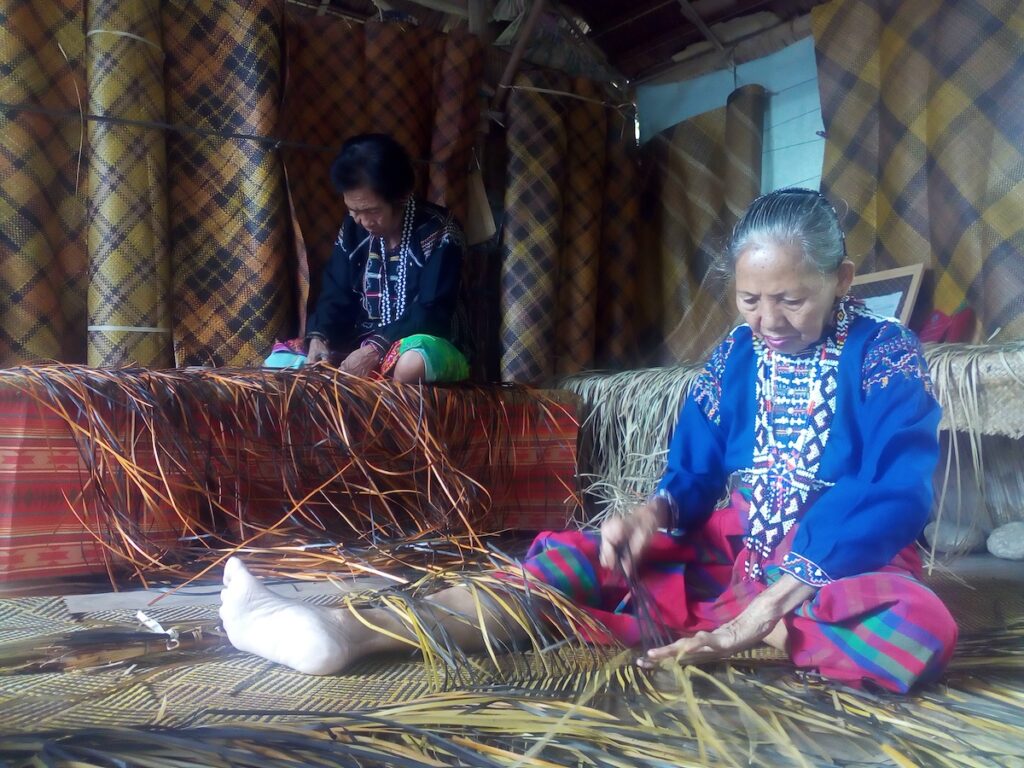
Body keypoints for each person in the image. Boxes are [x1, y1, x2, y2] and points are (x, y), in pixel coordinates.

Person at [223, 188, 956, 692]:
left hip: (844, 552)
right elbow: (694, 475)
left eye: (791, 299)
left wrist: (774, 605)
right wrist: (653, 513)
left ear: (843, 281)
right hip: (736, 546)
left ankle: (753, 635)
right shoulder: (737, 354)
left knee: (918, 624)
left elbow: (896, 486)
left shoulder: (884, 351)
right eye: (750, 299)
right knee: (576, 561)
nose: (767, 320)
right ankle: (351, 631)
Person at [266, 133, 469, 383]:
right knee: (280, 363)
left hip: (425, 342)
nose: (362, 221)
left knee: (410, 365)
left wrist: (376, 348)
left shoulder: (440, 230)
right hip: (360, 344)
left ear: (401, 197)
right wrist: (321, 337)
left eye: (372, 211)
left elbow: (433, 310)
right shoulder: (354, 230)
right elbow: (336, 293)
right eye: (353, 211)